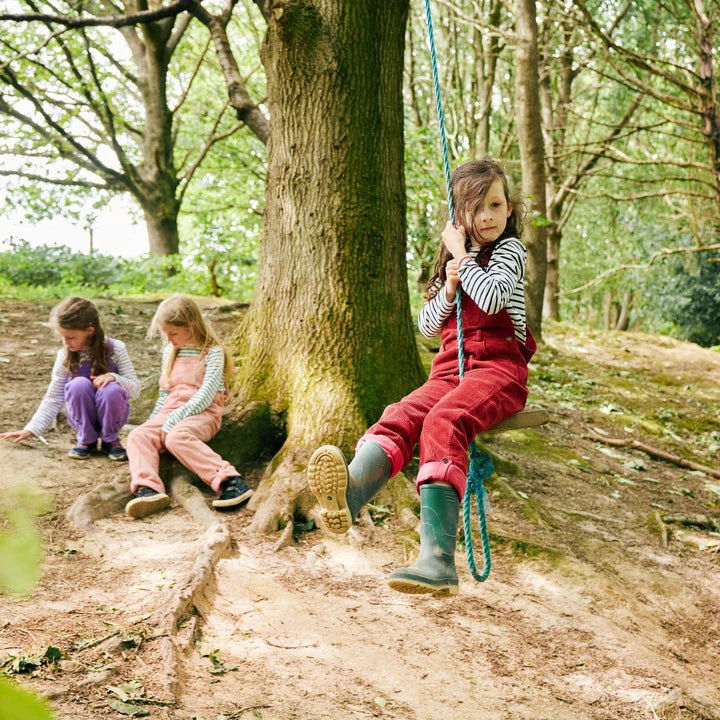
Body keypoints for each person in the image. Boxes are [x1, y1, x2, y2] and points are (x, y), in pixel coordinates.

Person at [307, 158, 536, 596]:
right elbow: (428, 326)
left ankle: (437, 560)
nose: (487, 216)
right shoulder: (452, 263)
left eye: (496, 205)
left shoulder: (510, 252)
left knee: (444, 421)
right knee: (402, 413)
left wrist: (463, 260)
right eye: (477, 207)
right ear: (459, 214)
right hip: (450, 370)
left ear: (509, 210)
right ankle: (353, 491)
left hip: (500, 371)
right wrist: (449, 287)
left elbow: (490, 300)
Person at [124, 294, 253, 519]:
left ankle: (229, 480)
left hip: (203, 414)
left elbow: (205, 396)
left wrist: (174, 420)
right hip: (170, 412)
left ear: (191, 326)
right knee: (138, 435)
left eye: (173, 333)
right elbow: (165, 395)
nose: (169, 338)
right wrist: (153, 423)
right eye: (166, 334)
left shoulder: (213, 352)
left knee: (176, 437)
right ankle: (149, 490)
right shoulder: (170, 352)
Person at [0, 296, 139, 460]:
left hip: (112, 413)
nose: (65, 342)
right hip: (81, 415)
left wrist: (113, 377)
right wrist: (32, 429)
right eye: (62, 337)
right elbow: (54, 396)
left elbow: (135, 390)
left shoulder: (116, 349)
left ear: (90, 330)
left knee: (111, 390)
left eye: (71, 337)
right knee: (78, 384)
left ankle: (110, 440)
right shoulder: (65, 355)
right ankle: (87, 440)